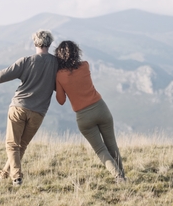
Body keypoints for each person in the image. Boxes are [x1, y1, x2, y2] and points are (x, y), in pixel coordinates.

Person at [0, 30, 58, 186]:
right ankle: (4, 174)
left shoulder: (26, 61)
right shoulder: (56, 63)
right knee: (21, 146)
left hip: (19, 107)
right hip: (39, 112)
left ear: (35, 43)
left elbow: (2, 75)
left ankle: (16, 177)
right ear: (50, 44)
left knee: (12, 145)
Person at [54, 40, 126, 183]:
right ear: (76, 52)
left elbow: (61, 100)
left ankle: (118, 177)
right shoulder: (85, 66)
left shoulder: (59, 76)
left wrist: (58, 86)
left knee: (101, 150)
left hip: (83, 117)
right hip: (101, 109)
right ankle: (123, 176)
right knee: (112, 145)